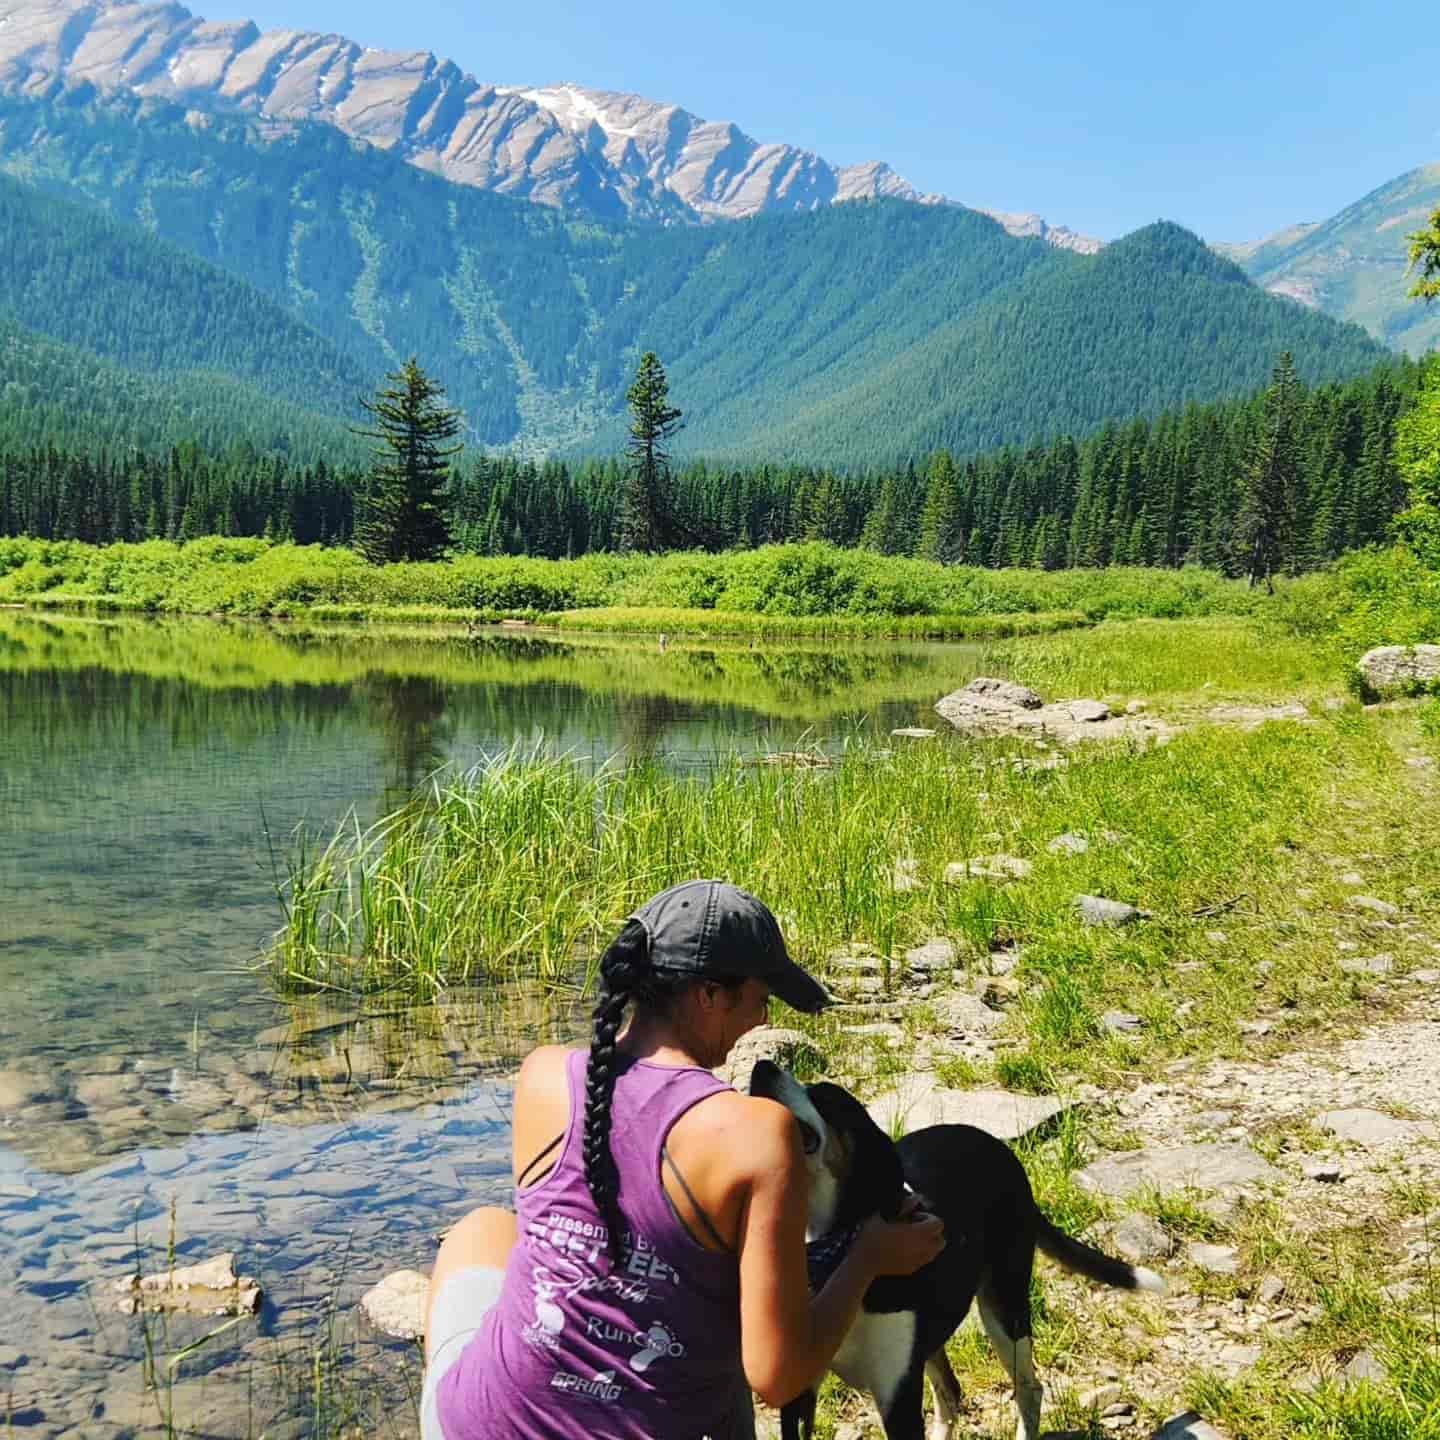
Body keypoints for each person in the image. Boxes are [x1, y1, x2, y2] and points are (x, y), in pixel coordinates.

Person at [422, 878, 945, 1439]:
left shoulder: (546, 1075)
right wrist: (869, 1258)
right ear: (709, 996)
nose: (764, 1019)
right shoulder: (758, 1135)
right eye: (760, 997)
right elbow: (778, 1377)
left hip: (475, 1425)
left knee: (480, 1230)